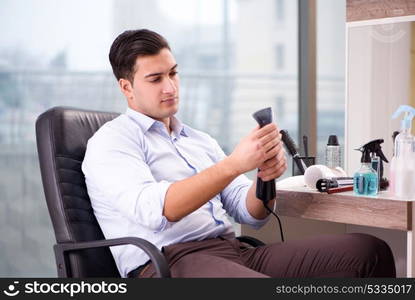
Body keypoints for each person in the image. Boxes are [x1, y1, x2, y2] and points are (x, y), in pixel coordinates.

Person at [82, 29, 396, 278]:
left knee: (368, 251)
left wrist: (263, 175)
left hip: (233, 252)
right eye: (155, 79)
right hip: (169, 265)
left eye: (173, 74)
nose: (170, 87)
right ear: (126, 87)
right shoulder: (111, 142)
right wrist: (234, 164)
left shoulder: (198, 139)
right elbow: (159, 210)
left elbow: (250, 213)